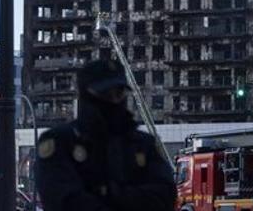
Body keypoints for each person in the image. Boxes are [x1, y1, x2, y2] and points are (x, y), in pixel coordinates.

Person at [35, 59, 176, 211]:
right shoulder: (61, 143)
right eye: (106, 94)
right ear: (86, 95)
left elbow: (164, 195)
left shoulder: (143, 144)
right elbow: (63, 200)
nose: (114, 100)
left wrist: (109, 194)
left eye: (119, 93)